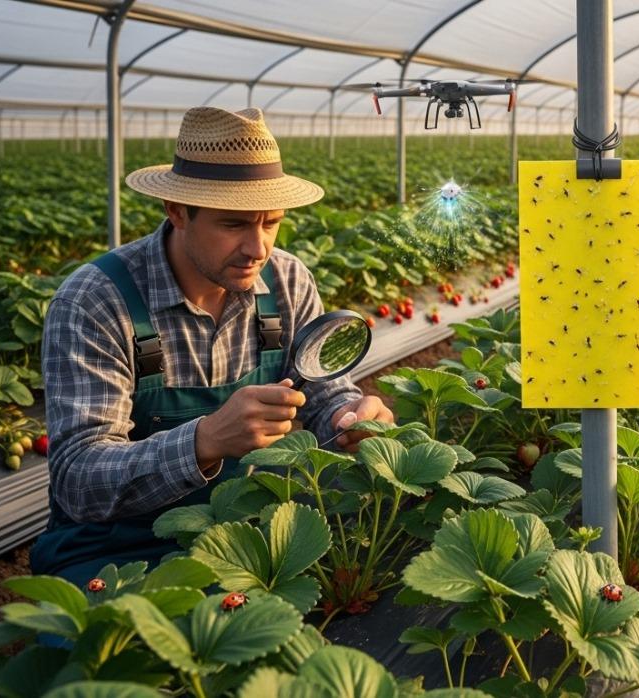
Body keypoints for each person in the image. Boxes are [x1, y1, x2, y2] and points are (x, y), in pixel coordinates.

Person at [30, 107, 393, 587]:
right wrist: (204, 440)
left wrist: (348, 417)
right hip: (115, 547)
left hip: (243, 523)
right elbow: (78, 479)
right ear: (177, 211)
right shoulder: (96, 301)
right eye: (234, 225)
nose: (258, 248)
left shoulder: (287, 280)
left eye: (271, 223)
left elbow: (325, 393)